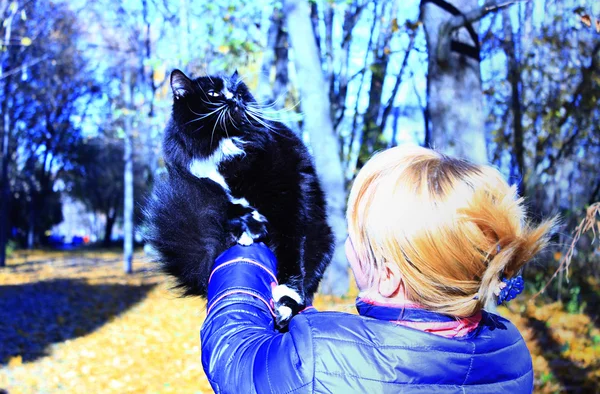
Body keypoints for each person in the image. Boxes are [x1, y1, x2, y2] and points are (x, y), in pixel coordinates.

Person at [201, 145, 554, 393]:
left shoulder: (318, 361)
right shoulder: (508, 350)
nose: (346, 245)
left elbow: (234, 355)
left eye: (354, 235)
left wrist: (247, 256)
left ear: (387, 277)